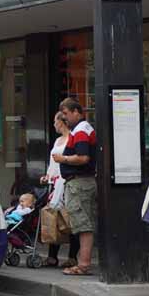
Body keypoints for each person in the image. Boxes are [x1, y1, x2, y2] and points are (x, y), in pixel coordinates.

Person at [54, 98, 97, 276]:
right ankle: (83, 262)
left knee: (82, 225)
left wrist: (62, 159)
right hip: (82, 182)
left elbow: (83, 157)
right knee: (82, 224)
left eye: (66, 114)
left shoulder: (80, 131)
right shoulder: (82, 129)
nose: (64, 118)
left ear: (76, 112)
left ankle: (83, 264)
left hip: (79, 183)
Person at [41, 112, 80, 268]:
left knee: (69, 220)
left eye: (55, 121)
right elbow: (53, 164)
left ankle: (72, 257)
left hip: (67, 183)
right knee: (54, 218)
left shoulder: (73, 139)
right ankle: (52, 256)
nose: (53, 124)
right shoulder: (57, 140)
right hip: (55, 185)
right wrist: (48, 176)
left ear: (61, 122)